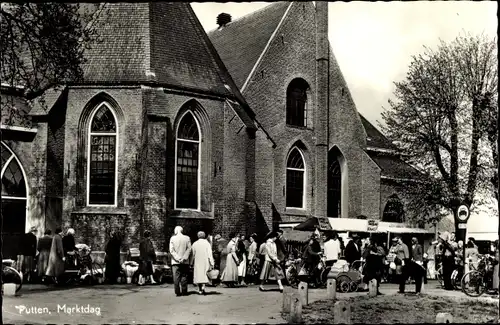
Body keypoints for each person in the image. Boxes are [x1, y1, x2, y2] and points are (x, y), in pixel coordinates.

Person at [169, 226, 192, 296]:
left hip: (175, 262)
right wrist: (184, 258)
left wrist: (178, 258)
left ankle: (177, 292)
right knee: (184, 276)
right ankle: (184, 291)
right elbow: (189, 249)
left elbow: (171, 250)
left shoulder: (172, 238)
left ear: (176, 231)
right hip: (185, 262)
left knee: (176, 277)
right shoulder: (187, 238)